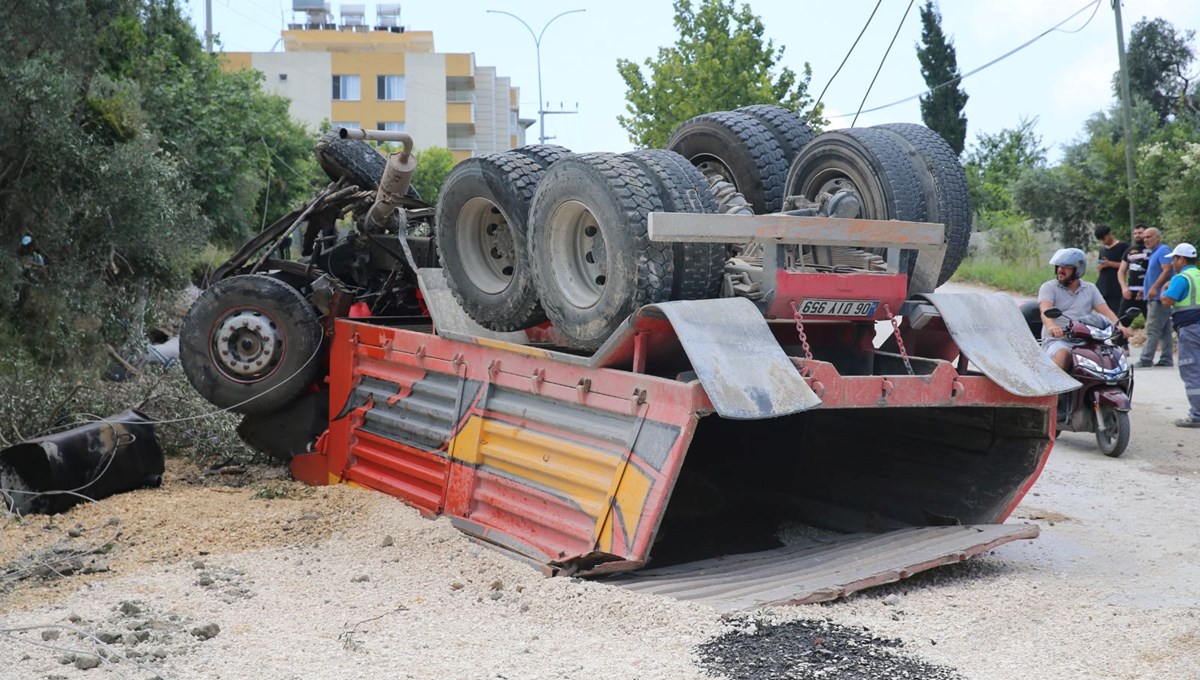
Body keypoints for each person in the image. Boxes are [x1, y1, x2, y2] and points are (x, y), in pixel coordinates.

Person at [1038, 247, 1129, 371]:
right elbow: (1045, 310)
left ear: (1078, 269)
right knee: (1063, 354)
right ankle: (1054, 390)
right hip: (1057, 340)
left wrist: (1120, 326)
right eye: (1059, 266)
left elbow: (1105, 311)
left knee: (1110, 357)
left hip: (1086, 340)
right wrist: (1051, 326)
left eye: (1066, 267)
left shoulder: (1090, 288)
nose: (1060, 270)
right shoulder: (1049, 287)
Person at [1160, 242, 1200, 428]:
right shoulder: (1198, 275)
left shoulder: (1181, 278)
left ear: (1181, 259)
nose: (1173, 263)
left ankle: (1197, 415)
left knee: (1191, 370)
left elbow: (1167, 301)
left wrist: (1164, 289)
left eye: (1174, 259)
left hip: (1191, 329)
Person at [1140, 227, 1175, 367]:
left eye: (1149, 237)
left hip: (1159, 297)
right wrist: (1145, 289)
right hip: (1156, 297)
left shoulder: (1163, 250)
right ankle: (1166, 358)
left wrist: (1154, 287)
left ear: (1158, 237)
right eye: (1144, 238)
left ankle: (1145, 359)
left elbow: (1167, 270)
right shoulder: (1154, 252)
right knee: (1165, 330)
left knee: (1152, 329)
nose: (1146, 240)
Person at [1093, 224, 1128, 313]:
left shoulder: (1123, 246)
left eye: (1104, 238)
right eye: (1101, 240)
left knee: (1116, 313)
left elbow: (1127, 265)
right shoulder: (1102, 250)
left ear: (1109, 234)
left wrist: (1110, 264)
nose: (1103, 242)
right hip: (1103, 286)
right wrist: (1100, 266)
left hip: (1116, 287)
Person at [1118, 223, 1149, 320]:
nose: (1137, 235)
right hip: (1131, 292)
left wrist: (1148, 288)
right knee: (1122, 320)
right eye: (1135, 233)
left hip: (1148, 291)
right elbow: (1121, 271)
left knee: (1152, 321)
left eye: (1140, 233)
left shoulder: (1153, 250)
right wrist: (1124, 288)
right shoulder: (1130, 250)